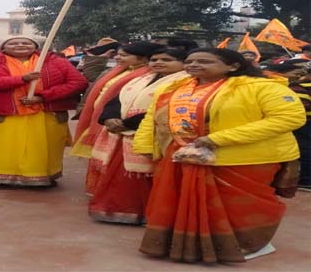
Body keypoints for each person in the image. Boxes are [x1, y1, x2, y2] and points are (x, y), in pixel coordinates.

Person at [133, 48, 305, 263]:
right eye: (190, 61)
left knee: (240, 206)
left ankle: (248, 244)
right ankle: (189, 246)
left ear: (233, 66)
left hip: (244, 159)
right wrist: (143, 145)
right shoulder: (173, 88)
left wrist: (219, 138)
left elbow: (289, 118)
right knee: (179, 203)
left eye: (204, 61)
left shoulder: (264, 87)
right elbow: (152, 118)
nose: (194, 65)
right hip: (181, 155)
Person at [86, 48, 189, 224]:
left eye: (167, 59)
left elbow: (165, 109)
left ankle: (141, 212)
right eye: (154, 59)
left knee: (145, 178)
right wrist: (109, 118)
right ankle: (112, 209)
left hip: (149, 134)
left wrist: (126, 123)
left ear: (182, 63)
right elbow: (117, 100)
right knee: (118, 178)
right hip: (121, 134)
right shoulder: (142, 78)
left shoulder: (185, 83)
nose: (158, 62)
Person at [0, 36, 87, 186]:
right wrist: (21, 79)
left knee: (43, 147)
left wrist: (43, 97)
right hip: (5, 112)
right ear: (3, 47)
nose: (20, 45)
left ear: (35, 46)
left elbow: (78, 82)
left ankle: (42, 176)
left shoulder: (55, 61)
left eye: (26, 43)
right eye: (13, 43)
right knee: (5, 146)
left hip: (45, 112)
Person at [72, 42, 161, 161]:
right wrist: (97, 58)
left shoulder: (150, 76)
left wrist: (118, 120)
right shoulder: (118, 70)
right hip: (103, 118)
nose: (117, 57)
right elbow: (92, 77)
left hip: (121, 124)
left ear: (143, 58)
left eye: (124, 55)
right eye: (118, 54)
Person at [267, 59, 311, 191]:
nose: (297, 75)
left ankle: (306, 179)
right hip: (304, 122)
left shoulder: (300, 86)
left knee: (305, 150)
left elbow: (302, 108)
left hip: (304, 123)